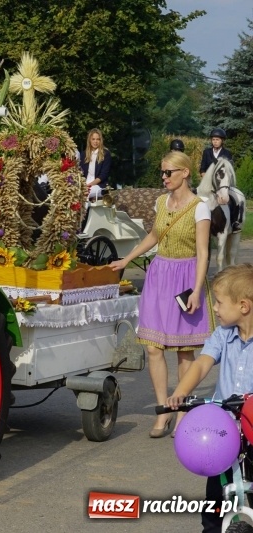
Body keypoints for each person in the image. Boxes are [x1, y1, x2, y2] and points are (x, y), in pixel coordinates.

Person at [108, 150, 212, 438]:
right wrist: (127, 260)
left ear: (185, 173)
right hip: (159, 276)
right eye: (162, 172)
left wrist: (196, 290)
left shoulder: (200, 208)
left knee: (184, 350)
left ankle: (182, 413)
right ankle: (163, 410)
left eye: (168, 172)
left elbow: (203, 253)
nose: (164, 177)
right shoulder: (161, 202)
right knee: (154, 347)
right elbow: (154, 236)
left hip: (186, 278)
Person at [165, 264, 253, 533]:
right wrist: (181, 392)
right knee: (215, 497)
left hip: (252, 429)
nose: (214, 308)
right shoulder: (223, 334)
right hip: (223, 433)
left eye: (219, 302)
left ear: (243, 306)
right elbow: (202, 363)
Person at [79, 128, 111, 201]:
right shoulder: (84, 154)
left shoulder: (105, 154)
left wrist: (89, 185)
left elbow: (103, 175)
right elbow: (80, 172)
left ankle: (85, 209)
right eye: (93, 139)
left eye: (98, 139)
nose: (95, 141)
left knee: (85, 193)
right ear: (89, 140)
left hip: (99, 185)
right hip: (85, 184)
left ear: (101, 141)